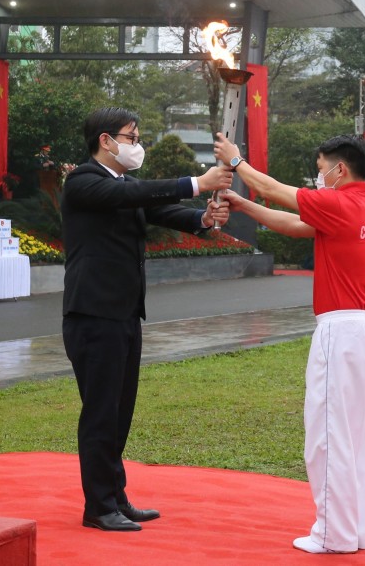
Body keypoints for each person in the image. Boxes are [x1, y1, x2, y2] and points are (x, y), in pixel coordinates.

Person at [214, 132, 365, 555]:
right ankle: (354, 531)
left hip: (341, 329)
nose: (318, 175)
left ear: (339, 169)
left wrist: (236, 163)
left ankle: (332, 535)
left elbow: (276, 190)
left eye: (322, 166)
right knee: (360, 437)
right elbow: (295, 225)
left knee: (328, 436)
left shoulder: (340, 202)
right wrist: (243, 204)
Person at [61, 107, 232, 532]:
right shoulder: (83, 181)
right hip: (93, 313)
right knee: (100, 413)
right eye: (131, 137)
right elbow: (132, 198)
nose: (137, 145)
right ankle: (98, 507)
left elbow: (159, 209)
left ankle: (115, 498)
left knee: (119, 411)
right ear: (106, 140)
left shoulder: (125, 184)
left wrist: (203, 218)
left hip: (123, 313)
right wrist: (197, 182)